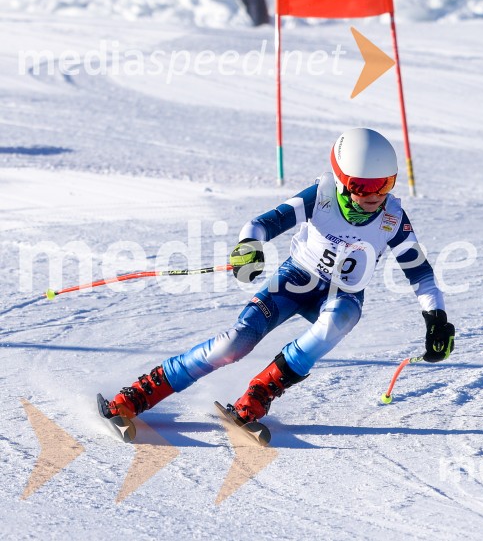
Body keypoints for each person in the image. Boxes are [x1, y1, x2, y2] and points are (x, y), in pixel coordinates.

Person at [101, 128, 455, 425]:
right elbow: (263, 223)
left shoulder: (392, 216)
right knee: (234, 344)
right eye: (365, 187)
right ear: (344, 182)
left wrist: (436, 317)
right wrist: (249, 246)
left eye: (386, 184)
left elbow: (419, 272)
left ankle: (260, 392)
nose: (376, 196)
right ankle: (145, 390)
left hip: (343, 293)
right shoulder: (322, 196)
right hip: (297, 280)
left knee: (339, 320)